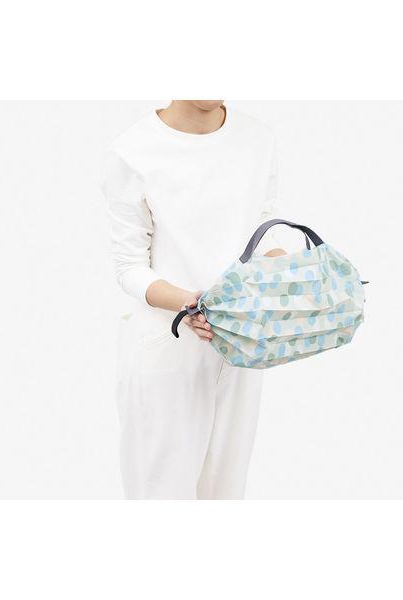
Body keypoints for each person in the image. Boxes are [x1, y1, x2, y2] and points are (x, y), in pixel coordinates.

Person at [102, 100, 285, 499]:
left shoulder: (257, 138)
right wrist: (188, 303)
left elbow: (262, 230)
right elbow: (130, 267)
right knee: (161, 495)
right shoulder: (133, 152)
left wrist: (285, 275)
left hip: (240, 349)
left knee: (226, 494)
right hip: (168, 349)